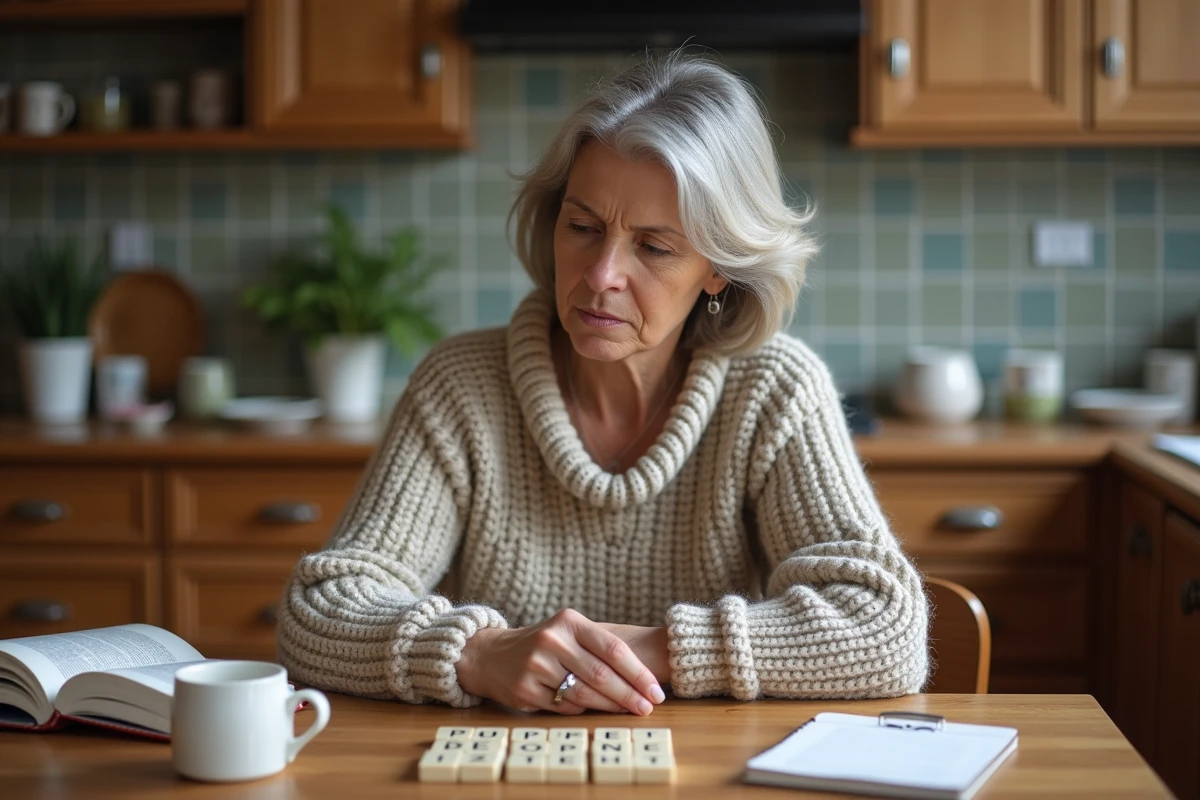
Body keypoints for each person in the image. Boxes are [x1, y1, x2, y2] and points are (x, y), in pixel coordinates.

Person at [276, 49, 929, 717]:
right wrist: (476, 654)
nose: (600, 275)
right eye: (583, 227)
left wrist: (652, 652)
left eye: (653, 247)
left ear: (718, 269)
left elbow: (886, 627)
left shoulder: (774, 391)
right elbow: (318, 612)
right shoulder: (461, 386)